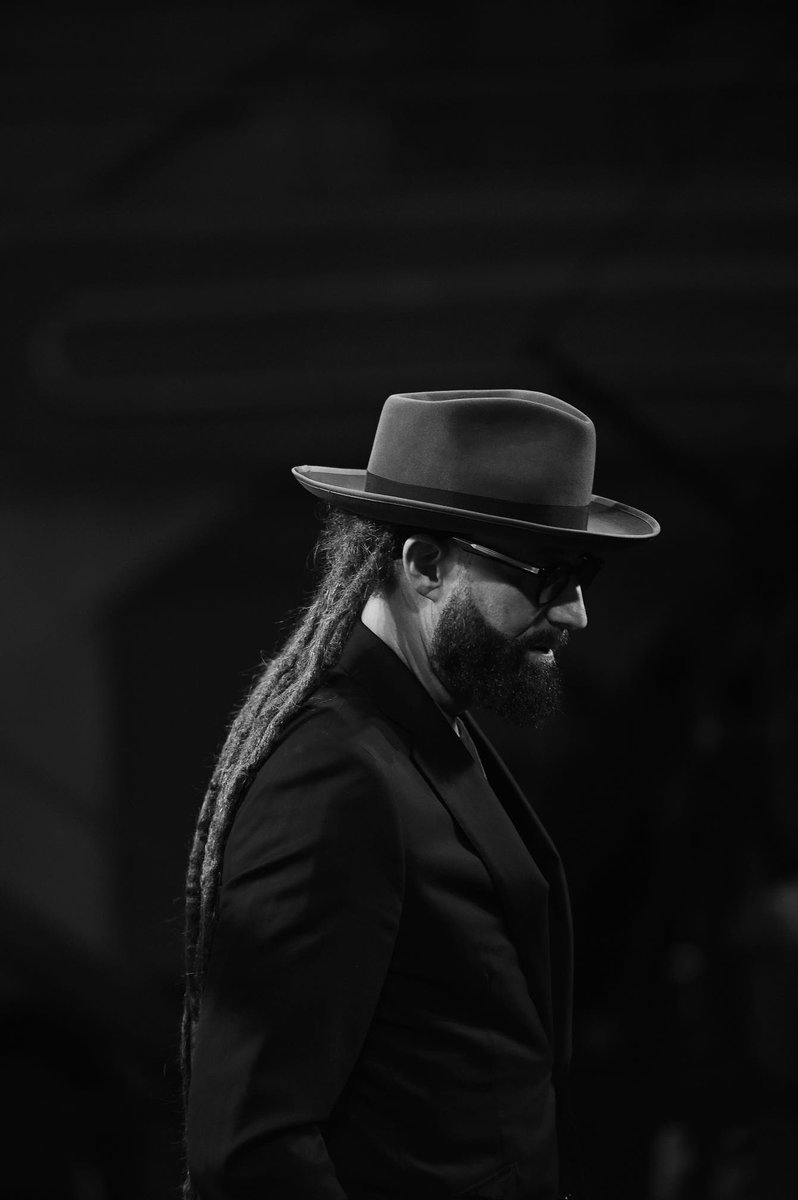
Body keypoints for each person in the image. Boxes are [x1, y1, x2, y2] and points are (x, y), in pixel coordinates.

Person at [181, 389, 659, 1200]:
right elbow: (250, 1145)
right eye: (547, 575)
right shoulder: (336, 775)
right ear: (425, 565)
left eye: (583, 573)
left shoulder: (430, 725)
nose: (576, 612)